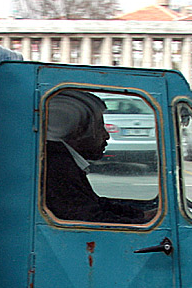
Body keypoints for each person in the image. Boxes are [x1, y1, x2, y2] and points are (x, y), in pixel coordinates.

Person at [44, 90, 152, 224]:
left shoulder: (63, 161)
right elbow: (88, 218)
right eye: (100, 127)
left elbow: (94, 203)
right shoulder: (59, 166)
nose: (107, 136)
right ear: (78, 131)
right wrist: (142, 222)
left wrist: (141, 215)